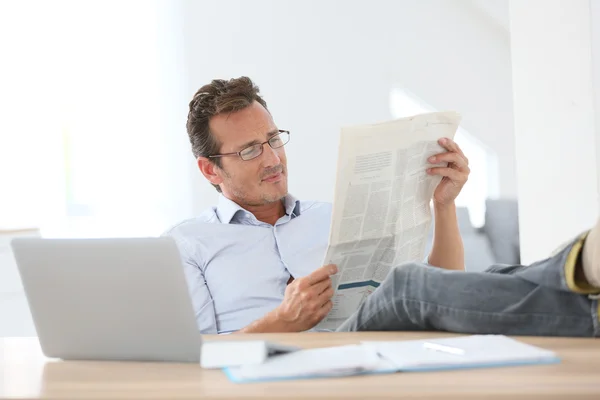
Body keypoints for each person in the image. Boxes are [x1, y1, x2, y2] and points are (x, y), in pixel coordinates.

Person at [164, 76, 600, 337]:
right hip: (276, 370)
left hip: (369, 346)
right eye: (249, 151)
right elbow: (192, 355)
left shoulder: (330, 215)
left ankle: (586, 276)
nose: (274, 159)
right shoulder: (187, 244)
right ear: (209, 170)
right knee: (409, 285)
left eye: (274, 139)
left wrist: (442, 206)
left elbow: (444, 292)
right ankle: (586, 262)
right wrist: (281, 320)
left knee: (490, 277)